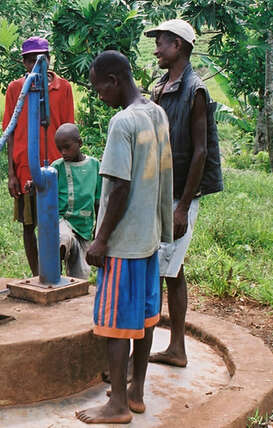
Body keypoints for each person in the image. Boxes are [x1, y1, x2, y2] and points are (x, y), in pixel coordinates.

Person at [76, 51, 173, 424]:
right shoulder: (156, 112)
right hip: (148, 238)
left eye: (99, 87)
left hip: (123, 244)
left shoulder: (123, 122)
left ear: (114, 81)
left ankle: (116, 405)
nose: (98, 94)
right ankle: (136, 392)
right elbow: (166, 174)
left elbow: (117, 186)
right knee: (146, 319)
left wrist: (100, 241)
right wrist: (164, 225)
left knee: (115, 325)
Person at [145, 20, 223, 368]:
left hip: (180, 196)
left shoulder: (195, 90)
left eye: (161, 43)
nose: (157, 49)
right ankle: (172, 345)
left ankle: (175, 347)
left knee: (169, 269)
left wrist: (183, 207)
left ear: (179, 45)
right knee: (168, 269)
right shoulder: (162, 87)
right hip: (163, 191)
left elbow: (200, 152)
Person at [2, 36, 75, 276]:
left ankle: (55, 272)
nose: (37, 64)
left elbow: (68, 129)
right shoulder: (15, 89)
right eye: (31, 60)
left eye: (41, 59)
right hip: (25, 169)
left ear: (49, 59)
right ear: (24, 63)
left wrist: (70, 166)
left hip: (56, 169)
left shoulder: (62, 88)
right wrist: (11, 173)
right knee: (29, 224)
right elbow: (9, 132)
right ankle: (37, 275)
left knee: (56, 223)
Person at [50, 123, 100, 279]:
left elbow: (98, 201)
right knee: (62, 240)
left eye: (67, 147)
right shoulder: (56, 167)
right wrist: (34, 185)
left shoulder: (94, 165)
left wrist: (98, 228)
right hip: (62, 220)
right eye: (59, 149)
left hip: (84, 227)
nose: (63, 153)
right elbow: (44, 187)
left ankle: (71, 291)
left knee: (81, 276)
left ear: (80, 143)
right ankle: (54, 275)